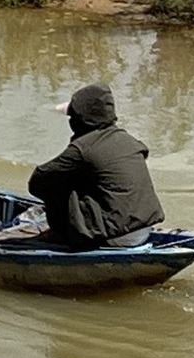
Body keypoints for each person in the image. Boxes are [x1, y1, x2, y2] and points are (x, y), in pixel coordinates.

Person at [27, 83, 164, 249]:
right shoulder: (128, 140)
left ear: (81, 120)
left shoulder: (82, 148)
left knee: (57, 182)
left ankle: (62, 234)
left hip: (116, 236)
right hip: (144, 228)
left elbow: (37, 181)